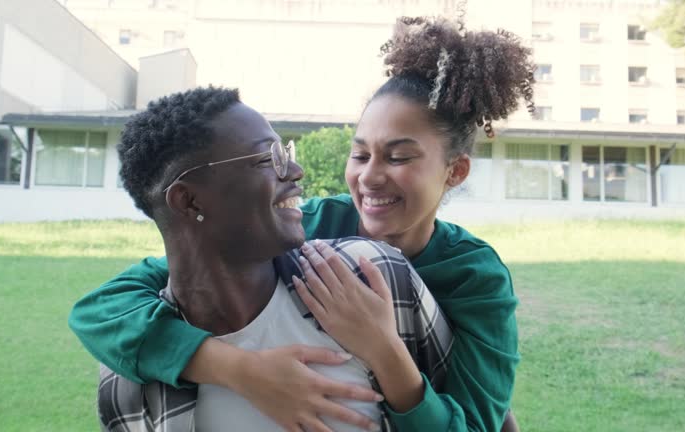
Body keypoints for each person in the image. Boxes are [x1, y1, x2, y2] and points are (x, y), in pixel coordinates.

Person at [70, 16, 535, 431]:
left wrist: (383, 347)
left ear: (454, 171)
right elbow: (105, 307)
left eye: (398, 156)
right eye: (360, 154)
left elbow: (483, 419)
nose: (370, 176)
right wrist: (237, 369)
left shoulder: (475, 276)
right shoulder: (314, 223)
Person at [95, 86, 456, 431]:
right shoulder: (129, 375)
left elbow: (482, 418)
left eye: (286, 153)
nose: (295, 172)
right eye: (268, 159)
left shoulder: (372, 277)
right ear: (189, 201)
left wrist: (387, 352)